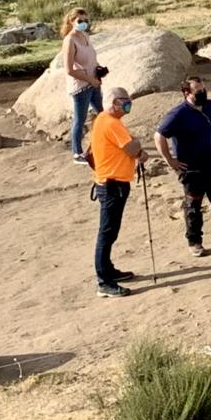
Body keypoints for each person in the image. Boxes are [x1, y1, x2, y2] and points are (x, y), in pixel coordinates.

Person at [154, 76, 211, 258]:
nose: (203, 93)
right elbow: (159, 136)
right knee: (193, 205)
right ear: (187, 93)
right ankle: (194, 241)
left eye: (204, 89)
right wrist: (170, 161)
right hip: (192, 169)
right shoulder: (178, 114)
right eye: (198, 91)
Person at [88, 87, 144, 298]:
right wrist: (137, 147)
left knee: (111, 231)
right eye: (125, 101)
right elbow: (132, 147)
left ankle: (108, 269)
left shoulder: (105, 120)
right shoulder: (110, 123)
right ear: (113, 102)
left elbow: (130, 145)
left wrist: (135, 145)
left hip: (112, 183)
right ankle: (104, 280)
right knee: (107, 232)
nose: (128, 104)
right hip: (112, 185)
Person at [61, 7, 104, 164]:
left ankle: (102, 142)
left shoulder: (85, 35)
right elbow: (69, 69)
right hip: (81, 86)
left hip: (93, 82)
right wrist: (90, 80)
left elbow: (91, 57)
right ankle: (77, 153)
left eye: (86, 21)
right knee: (80, 119)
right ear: (72, 22)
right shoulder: (70, 40)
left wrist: (99, 70)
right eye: (80, 21)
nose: (83, 24)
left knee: (101, 114)